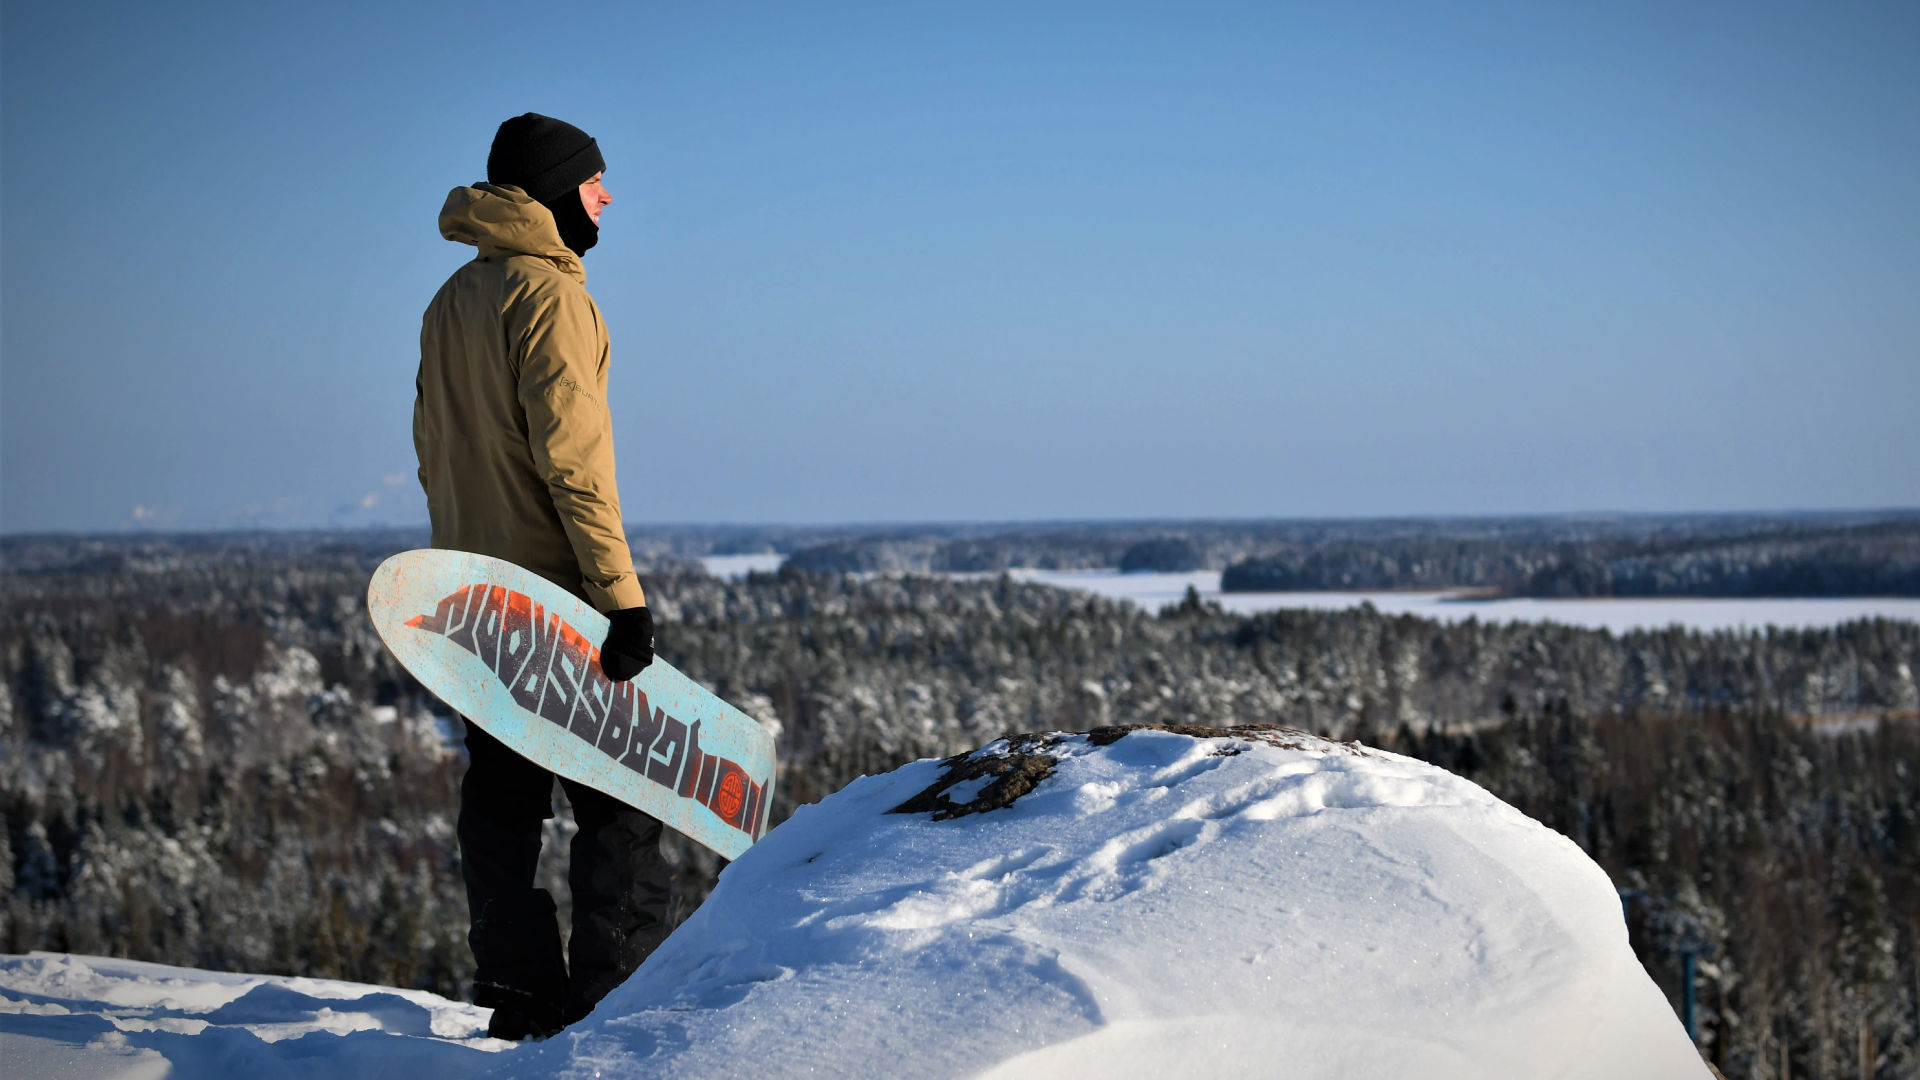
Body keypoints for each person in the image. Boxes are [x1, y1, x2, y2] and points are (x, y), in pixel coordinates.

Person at [413, 112, 668, 1041]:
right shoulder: (551, 297)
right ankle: (616, 1009)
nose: (608, 197)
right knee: (623, 802)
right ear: (557, 190)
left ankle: (519, 993)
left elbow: (433, 454)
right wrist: (622, 600)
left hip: (478, 596)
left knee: (503, 799)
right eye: (595, 183)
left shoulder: (452, 299)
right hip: (559, 602)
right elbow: (575, 467)